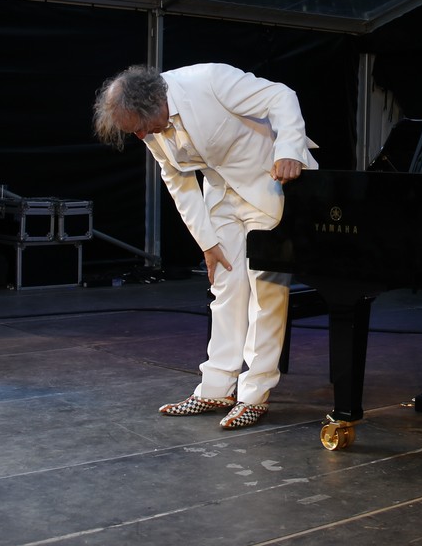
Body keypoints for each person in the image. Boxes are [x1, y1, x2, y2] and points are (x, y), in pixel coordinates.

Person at [92, 62, 317, 430]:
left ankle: (254, 394)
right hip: (222, 197)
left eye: (141, 127)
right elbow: (177, 181)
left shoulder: (210, 80)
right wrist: (207, 244)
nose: (141, 136)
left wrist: (289, 149)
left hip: (269, 183)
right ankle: (216, 388)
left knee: (266, 291)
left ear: (155, 103)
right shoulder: (148, 126)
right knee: (225, 288)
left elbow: (281, 95)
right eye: (134, 131)